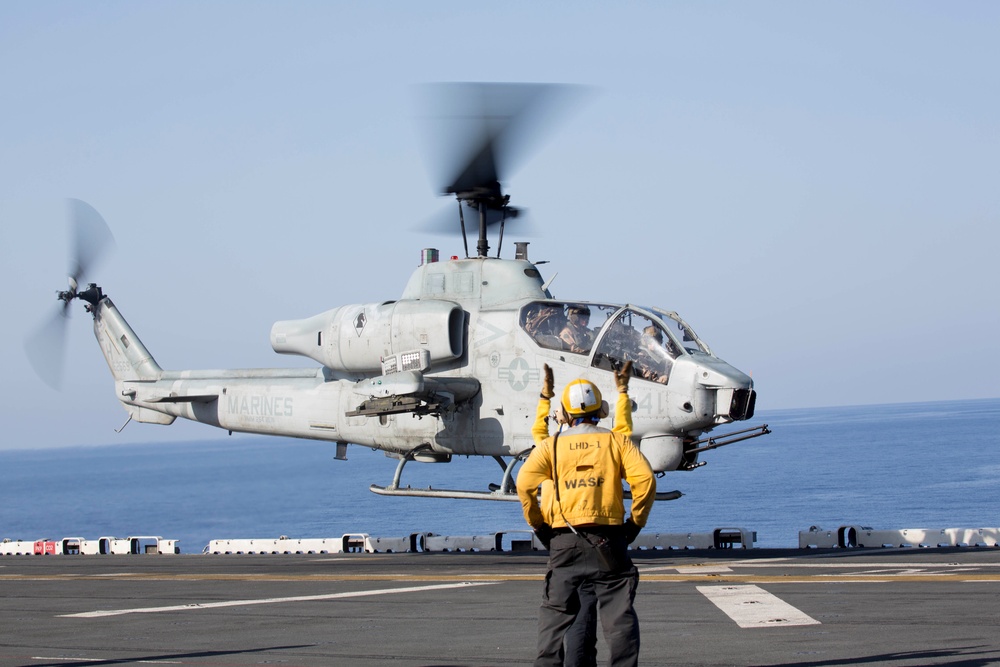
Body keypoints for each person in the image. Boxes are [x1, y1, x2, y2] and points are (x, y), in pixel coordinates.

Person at [519, 362, 655, 667]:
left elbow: (524, 484)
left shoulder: (550, 446)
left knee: (555, 618)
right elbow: (645, 479)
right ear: (598, 411)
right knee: (618, 618)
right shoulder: (615, 441)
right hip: (609, 539)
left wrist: (539, 526)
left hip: (563, 541)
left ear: (565, 414)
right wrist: (635, 523)